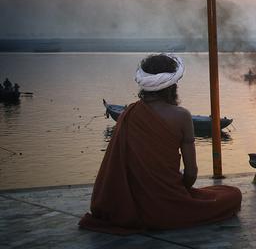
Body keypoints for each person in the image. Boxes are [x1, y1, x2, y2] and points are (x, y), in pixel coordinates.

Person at [79, 54, 242, 234]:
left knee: (217, 191)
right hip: (166, 209)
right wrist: (177, 191)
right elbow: (191, 174)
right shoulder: (182, 116)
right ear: (172, 87)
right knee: (232, 194)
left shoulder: (128, 114)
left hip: (126, 205)